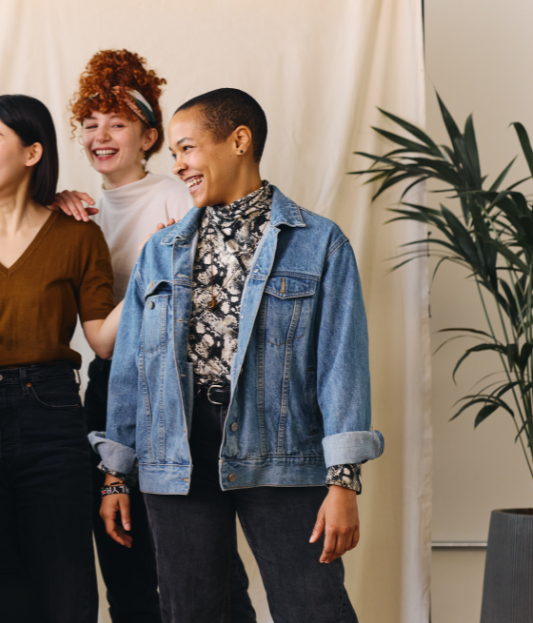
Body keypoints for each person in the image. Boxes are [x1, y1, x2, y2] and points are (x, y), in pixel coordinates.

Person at [93, 88, 384, 622]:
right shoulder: (161, 250)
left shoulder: (319, 243)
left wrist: (342, 481)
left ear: (239, 141)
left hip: (280, 447)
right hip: (175, 455)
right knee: (194, 612)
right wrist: (116, 474)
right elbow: (131, 369)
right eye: (174, 155)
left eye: (186, 149)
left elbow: (342, 363)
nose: (178, 166)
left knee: (312, 607)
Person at [52, 50, 256, 623]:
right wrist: (52, 210)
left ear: (149, 135)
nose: (100, 136)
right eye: (90, 124)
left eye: (116, 123)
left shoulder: (178, 194)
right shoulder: (72, 212)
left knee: (203, 565)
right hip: (105, 389)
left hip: (172, 387)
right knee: (123, 560)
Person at [0, 94, 117, 623]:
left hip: (53, 413)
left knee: (65, 584)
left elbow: (102, 340)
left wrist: (154, 271)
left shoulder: (79, 237)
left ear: (32, 153)